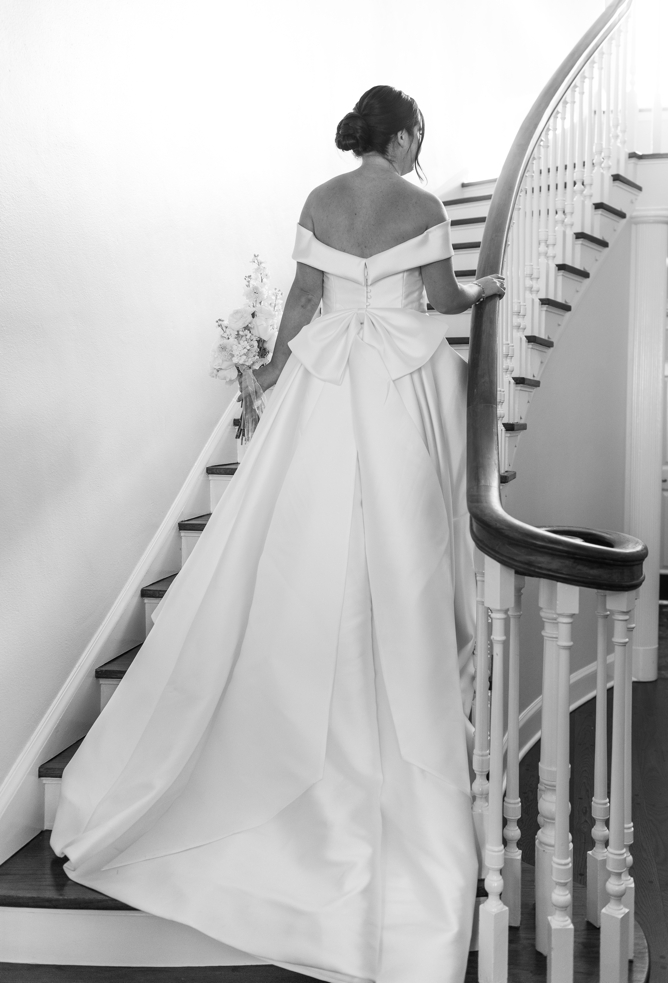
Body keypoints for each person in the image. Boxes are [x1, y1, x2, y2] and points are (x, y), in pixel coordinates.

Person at [50, 85, 506, 983]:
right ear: (406, 135)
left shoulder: (319, 200)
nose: (420, 151)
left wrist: (265, 367)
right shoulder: (420, 203)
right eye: (420, 137)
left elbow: (303, 298)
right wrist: (487, 284)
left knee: (299, 543)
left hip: (326, 388)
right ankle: (392, 695)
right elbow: (445, 299)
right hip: (397, 387)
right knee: (401, 548)